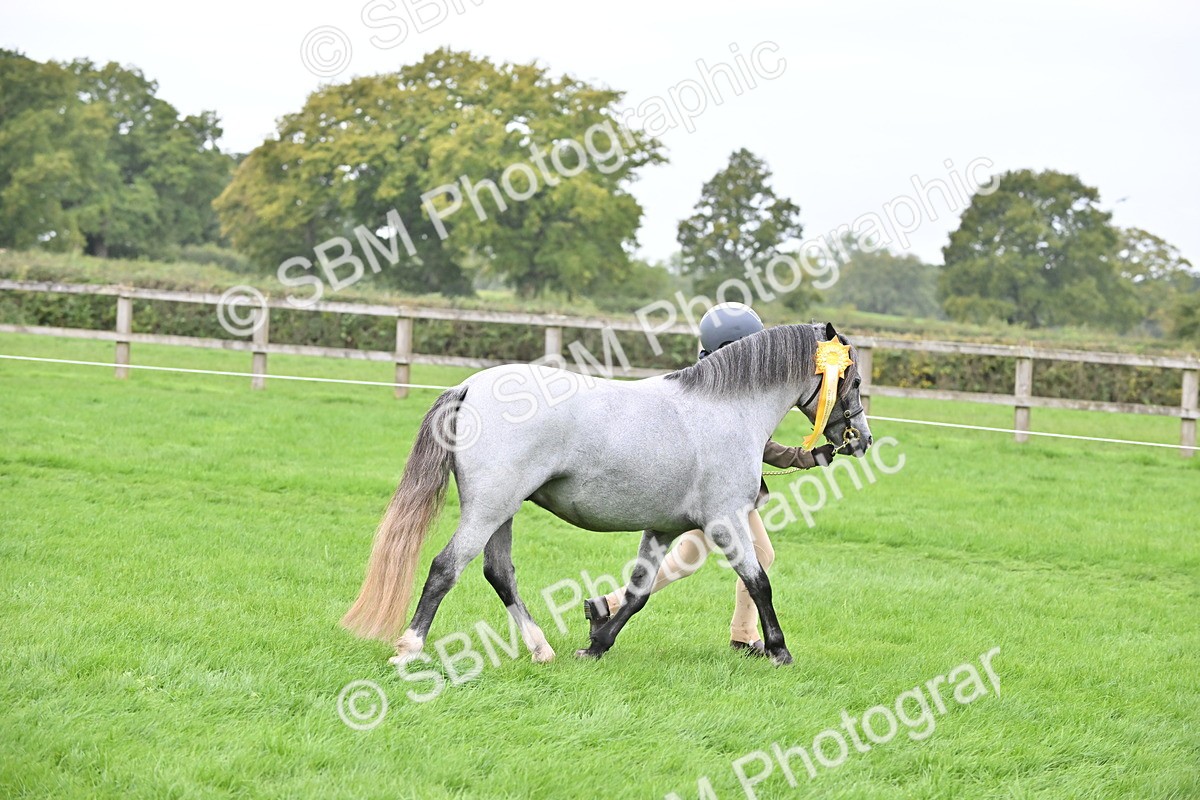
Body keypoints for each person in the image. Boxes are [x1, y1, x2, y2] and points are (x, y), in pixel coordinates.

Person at [582, 303, 835, 656]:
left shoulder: (715, 381)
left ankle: (740, 632)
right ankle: (739, 634)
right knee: (732, 556)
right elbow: (762, 447)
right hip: (713, 493)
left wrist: (812, 457)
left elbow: (757, 445)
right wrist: (810, 457)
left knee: (715, 556)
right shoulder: (719, 390)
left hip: (715, 490)